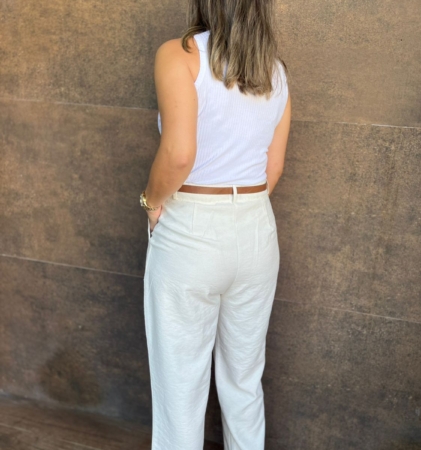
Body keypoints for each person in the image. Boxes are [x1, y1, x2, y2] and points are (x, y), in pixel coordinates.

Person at [140, 1, 291, 448]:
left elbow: (179, 154)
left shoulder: (179, 54)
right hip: (257, 227)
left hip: (192, 225)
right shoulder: (275, 71)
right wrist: (240, 213)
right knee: (244, 379)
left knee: (180, 385)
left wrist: (151, 201)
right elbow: (274, 167)